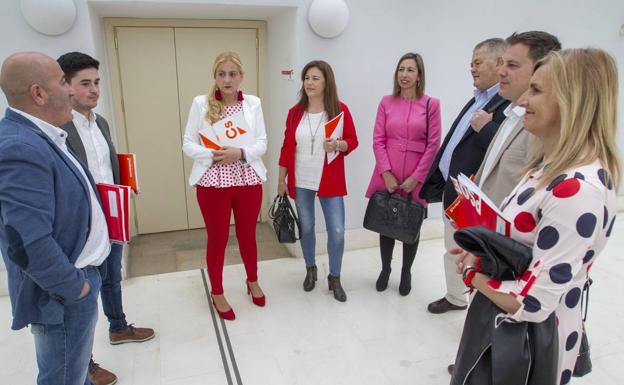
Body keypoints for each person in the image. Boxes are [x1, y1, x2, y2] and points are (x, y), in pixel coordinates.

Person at [451, 48, 620, 385]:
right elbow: (528, 249)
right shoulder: (548, 168)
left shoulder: (577, 190)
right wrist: (484, 253)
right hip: (512, 334)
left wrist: (473, 276)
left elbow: (533, 300)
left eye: (537, 90)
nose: (522, 99)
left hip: (530, 346)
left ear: (572, 103)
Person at [0, 52, 110, 385]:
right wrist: (75, 288)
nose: (72, 91)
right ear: (39, 94)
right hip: (63, 293)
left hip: (76, 279)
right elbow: (27, 243)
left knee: (74, 371)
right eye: (64, 82)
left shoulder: (44, 135)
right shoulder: (21, 147)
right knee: (62, 376)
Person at [58, 51, 156, 385]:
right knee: (82, 295)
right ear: (66, 87)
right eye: (84, 83)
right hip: (81, 227)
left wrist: (125, 184)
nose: (94, 90)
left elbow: (106, 165)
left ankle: (119, 327)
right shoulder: (57, 128)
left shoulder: (100, 123)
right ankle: (84, 364)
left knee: (113, 275)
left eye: (96, 82)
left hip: (110, 216)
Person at [420, 38, 511, 314]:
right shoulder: (480, 98)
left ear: (498, 63)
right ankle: (456, 297)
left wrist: (486, 128)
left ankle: (477, 307)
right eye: (471, 63)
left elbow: (511, 150)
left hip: (477, 198)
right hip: (456, 191)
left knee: (475, 255)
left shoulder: (508, 102)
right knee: (453, 248)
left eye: (477, 62)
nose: (472, 68)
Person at [182, 52, 267, 321]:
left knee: (247, 235)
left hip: (247, 179)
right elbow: (187, 143)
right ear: (215, 76)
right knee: (217, 239)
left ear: (241, 77)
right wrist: (214, 155)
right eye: (222, 74)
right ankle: (216, 291)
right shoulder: (201, 103)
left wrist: (240, 153)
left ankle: (252, 280)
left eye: (232, 74)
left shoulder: (253, 104)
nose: (227, 79)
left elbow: (262, 142)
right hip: (212, 182)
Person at [277, 60, 359, 302]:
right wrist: (281, 180)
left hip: (329, 180)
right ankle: (310, 269)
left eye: (315, 78)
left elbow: (353, 140)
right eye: (307, 78)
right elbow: (285, 147)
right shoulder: (294, 113)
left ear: (326, 82)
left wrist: (338, 144)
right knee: (308, 227)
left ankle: (335, 276)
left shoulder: (339, 109)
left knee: (337, 230)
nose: (309, 83)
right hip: (301, 179)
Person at [365, 52, 441, 295]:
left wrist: (417, 177)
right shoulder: (386, 102)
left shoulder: (431, 104)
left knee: (411, 222)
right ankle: (386, 268)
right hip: (388, 168)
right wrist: (385, 172)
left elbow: (433, 144)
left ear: (419, 75)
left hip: (416, 172)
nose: (404, 75)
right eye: (401, 70)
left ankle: (406, 270)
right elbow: (378, 139)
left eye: (410, 70)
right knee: (385, 220)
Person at [474, 32, 561, 205]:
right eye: (502, 63)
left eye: (512, 65)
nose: (501, 71)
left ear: (541, 70)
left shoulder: (545, 127)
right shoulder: (509, 115)